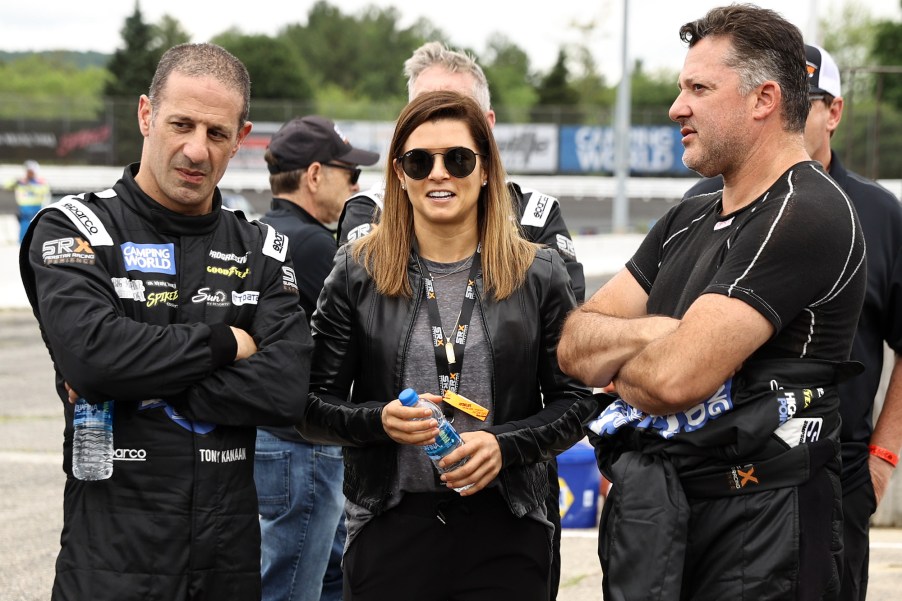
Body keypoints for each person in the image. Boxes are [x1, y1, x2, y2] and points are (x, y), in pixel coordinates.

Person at [557, 6, 867, 600]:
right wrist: (667, 332)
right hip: (664, 514)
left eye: (699, 89)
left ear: (764, 99)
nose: (677, 108)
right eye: (682, 89)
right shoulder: (688, 215)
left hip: (763, 525)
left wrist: (634, 361)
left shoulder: (806, 210)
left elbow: (675, 378)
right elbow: (574, 343)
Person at [18, 43, 314, 601]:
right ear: (145, 114)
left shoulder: (261, 249)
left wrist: (139, 381)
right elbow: (94, 359)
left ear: (241, 138)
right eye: (181, 124)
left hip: (226, 571)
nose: (196, 150)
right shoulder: (75, 228)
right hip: (108, 572)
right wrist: (224, 342)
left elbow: (285, 390)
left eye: (217, 133)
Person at [298, 90, 596, 601]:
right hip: (391, 527)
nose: (439, 174)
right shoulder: (357, 270)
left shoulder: (538, 271)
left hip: (508, 525)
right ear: (399, 174)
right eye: (420, 161)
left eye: (458, 159)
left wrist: (504, 445)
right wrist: (379, 421)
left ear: (486, 171)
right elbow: (308, 406)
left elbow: (576, 402)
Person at [683, 43, 902, 601]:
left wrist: (881, 461)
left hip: (831, 470)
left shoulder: (879, 214)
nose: (791, 114)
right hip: (712, 466)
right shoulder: (704, 202)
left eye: (808, 101)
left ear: (834, 112)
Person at [337, 41, 585, 303]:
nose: (439, 121)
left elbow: (567, 317)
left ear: (487, 125)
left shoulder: (535, 214)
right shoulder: (371, 209)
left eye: (455, 109)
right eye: (424, 109)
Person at [255, 115, 378, 601]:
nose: (356, 185)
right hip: (305, 444)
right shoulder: (311, 244)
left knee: (324, 579)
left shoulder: (260, 232)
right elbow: (368, 324)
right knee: (292, 591)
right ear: (314, 175)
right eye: (351, 174)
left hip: (273, 436)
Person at [5, 159, 51, 243]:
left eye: (31, 171)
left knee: (36, 223)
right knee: (25, 223)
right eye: (28, 171)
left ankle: (35, 240)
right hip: (24, 206)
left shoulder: (40, 181)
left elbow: (45, 190)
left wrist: (29, 185)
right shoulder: (20, 181)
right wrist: (17, 181)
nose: (29, 173)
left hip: (36, 205)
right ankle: (22, 241)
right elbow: (7, 186)